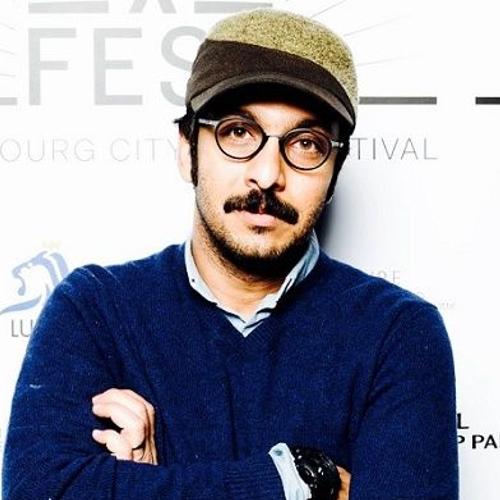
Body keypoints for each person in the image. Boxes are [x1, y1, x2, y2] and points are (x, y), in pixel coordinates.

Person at [2, 8, 458, 500]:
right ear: (187, 150)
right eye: (238, 132)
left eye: (306, 144)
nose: (267, 174)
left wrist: (147, 485)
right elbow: (38, 490)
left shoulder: (399, 333)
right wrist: (294, 481)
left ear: (334, 172)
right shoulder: (94, 309)